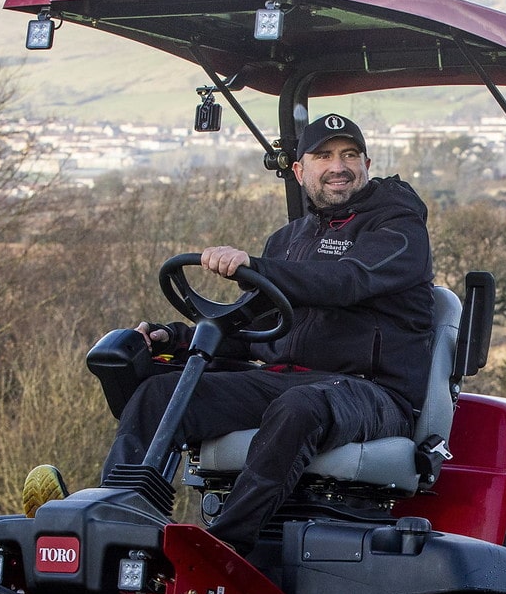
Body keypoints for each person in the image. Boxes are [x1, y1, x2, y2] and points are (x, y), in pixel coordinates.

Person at [56, 115, 435, 552]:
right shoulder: (289, 240)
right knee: (160, 394)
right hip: (284, 380)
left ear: (367, 163)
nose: (339, 165)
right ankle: (120, 525)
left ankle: (226, 546)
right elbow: (252, 326)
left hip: (372, 394)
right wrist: (174, 337)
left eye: (350, 155)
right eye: (324, 155)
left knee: (298, 406)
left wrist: (254, 267)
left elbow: (346, 282)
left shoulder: (399, 230)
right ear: (299, 170)